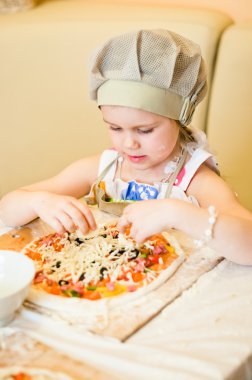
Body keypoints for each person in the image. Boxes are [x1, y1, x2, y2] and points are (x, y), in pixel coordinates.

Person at [0, 29, 252, 264]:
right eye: (115, 128)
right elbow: (6, 210)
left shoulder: (195, 181)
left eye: (145, 130)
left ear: (179, 119)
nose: (129, 143)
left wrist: (179, 213)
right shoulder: (102, 169)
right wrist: (39, 202)